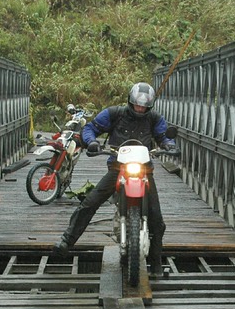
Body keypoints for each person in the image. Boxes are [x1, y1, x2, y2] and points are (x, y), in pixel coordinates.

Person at [52, 82, 176, 277]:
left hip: (144, 170)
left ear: (150, 106)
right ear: (130, 101)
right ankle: (67, 240)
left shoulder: (154, 118)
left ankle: (156, 263)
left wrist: (169, 144)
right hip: (118, 167)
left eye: (144, 106)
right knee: (89, 202)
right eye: (137, 105)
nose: (140, 108)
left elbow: (164, 135)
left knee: (157, 220)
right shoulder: (115, 113)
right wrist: (91, 141)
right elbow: (91, 127)